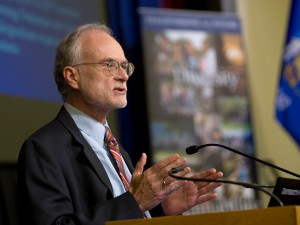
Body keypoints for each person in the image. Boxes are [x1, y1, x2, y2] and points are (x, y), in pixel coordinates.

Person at [17, 23, 223, 225]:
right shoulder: (43, 148)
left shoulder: (114, 147)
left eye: (125, 66)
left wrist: (161, 209)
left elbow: (129, 211)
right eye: (109, 65)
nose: (124, 76)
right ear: (73, 77)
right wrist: (136, 202)